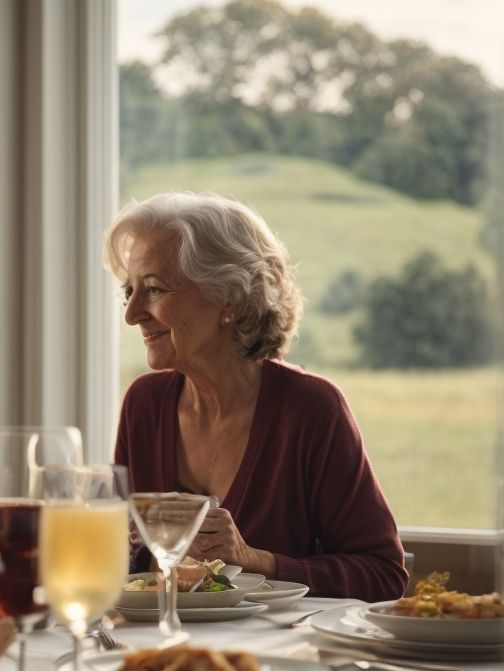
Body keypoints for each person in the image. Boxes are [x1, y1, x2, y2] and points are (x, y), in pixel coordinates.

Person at [106, 191, 407, 602]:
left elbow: (383, 574)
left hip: (279, 661)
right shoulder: (144, 403)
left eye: (154, 289)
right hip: (161, 651)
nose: (131, 313)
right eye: (130, 292)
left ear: (228, 296)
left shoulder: (312, 410)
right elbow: (119, 564)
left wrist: (252, 558)